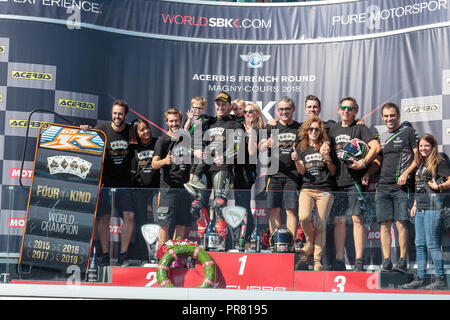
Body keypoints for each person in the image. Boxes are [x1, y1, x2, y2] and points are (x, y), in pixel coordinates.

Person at [326, 96, 381, 271]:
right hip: (336, 182)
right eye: (343, 107)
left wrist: (363, 164)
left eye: (350, 108)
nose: (346, 111)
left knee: (358, 219)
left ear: (355, 111)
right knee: (339, 221)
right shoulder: (332, 129)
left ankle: (359, 261)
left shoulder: (360, 128)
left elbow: (376, 148)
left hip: (354, 182)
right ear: (338, 109)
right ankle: (340, 260)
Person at [362, 102, 417, 273]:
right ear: (382, 118)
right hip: (383, 186)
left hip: (400, 186)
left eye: (392, 115)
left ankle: (402, 261)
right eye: (386, 116)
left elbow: (418, 158)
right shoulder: (382, 137)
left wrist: (405, 173)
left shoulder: (408, 132)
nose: (389, 119)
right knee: (384, 225)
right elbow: (378, 163)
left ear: (398, 115)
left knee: (401, 224)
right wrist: (368, 174)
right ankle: (387, 261)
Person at [192, 91, 245, 250]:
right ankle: (202, 237)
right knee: (196, 205)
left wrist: (225, 157)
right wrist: (195, 151)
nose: (220, 107)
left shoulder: (235, 124)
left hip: (223, 167)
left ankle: (222, 238)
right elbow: (192, 139)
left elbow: (239, 147)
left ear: (229, 105)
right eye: (218, 104)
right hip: (204, 168)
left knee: (219, 203)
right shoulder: (207, 122)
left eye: (224, 104)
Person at [86, 100, 136, 266]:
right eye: (115, 113)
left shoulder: (131, 130)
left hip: (125, 182)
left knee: (129, 216)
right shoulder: (102, 129)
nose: (117, 116)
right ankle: (105, 254)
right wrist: (84, 131)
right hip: (105, 181)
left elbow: (145, 142)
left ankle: (123, 255)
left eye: (120, 114)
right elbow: (87, 140)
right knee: (104, 218)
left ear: (125, 115)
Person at [402, 133, 449, 290]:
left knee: (432, 244)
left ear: (433, 146)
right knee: (419, 244)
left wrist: (440, 187)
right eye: (421, 146)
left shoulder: (439, 161)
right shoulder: (421, 164)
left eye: (426, 146)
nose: (423, 148)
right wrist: (415, 204)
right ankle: (420, 278)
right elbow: (420, 186)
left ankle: (440, 279)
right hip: (421, 207)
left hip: (433, 207)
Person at [293, 116, 336, 271]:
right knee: (304, 217)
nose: (313, 131)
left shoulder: (326, 147)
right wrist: (297, 161)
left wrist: (327, 158)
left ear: (321, 131)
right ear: (306, 130)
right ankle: (310, 242)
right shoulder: (301, 148)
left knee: (320, 225)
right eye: (310, 129)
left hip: (325, 189)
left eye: (317, 129)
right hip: (307, 188)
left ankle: (317, 261)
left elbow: (333, 172)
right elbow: (302, 171)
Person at [259, 96, 301, 239]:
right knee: (274, 209)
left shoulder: (299, 128)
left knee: (291, 210)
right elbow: (260, 147)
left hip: (293, 175)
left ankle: (290, 243)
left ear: (293, 109)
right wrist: (266, 144)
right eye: (281, 109)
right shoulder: (271, 127)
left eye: (287, 108)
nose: (284, 112)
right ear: (277, 111)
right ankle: (275, 243)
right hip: (274, 174)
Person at [152, 108, 191, 248]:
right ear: (167, 122)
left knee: (181, 225)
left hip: (184, 189)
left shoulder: (186, 139)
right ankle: (163, 258)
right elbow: (154, 164)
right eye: (171, 121)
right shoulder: (162, 140)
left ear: (180, 121)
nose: (174, 123)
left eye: (176, 121)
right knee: (165, 225)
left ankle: (177, 258)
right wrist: (165, 161)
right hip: (167, 190)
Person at [130, 118, 160, 264]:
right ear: (136, 133)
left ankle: (157, 254)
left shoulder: (158, 142)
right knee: (141, 222)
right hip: (140, 190)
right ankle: (142, 254)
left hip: (156, 189)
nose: (146, 131)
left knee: (157, 221)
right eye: (142, 130)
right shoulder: (133, 148)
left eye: (147, 128)